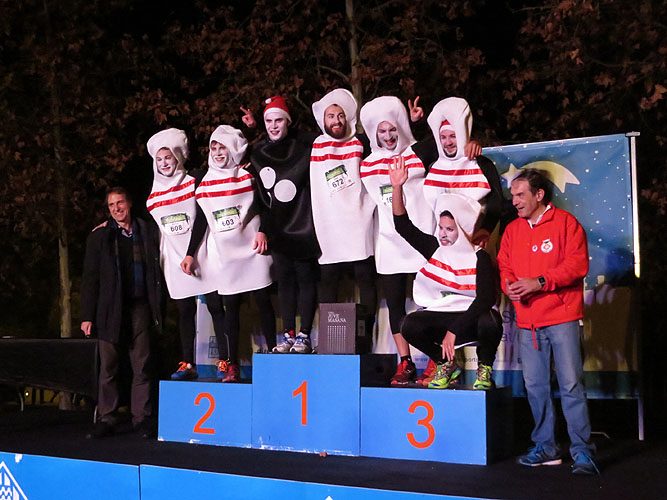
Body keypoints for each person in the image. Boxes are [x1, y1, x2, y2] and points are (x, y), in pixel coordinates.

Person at [497, 168, 598, 475]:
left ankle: (583, 451)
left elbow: (576, 265)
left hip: (562, 317)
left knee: (571, 385)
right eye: (513, 195)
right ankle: (546, 447)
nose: (515, 201)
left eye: (520, 195)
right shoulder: (512, 230)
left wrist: (540, 281)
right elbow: (504, 267)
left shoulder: (566, 223)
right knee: (535, 387)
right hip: (527, 321)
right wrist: (509, 286)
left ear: (539, 195)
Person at [389, 157, 502, 390]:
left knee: (491, 320)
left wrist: (454, 330)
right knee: (409, 324)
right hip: (443, 315)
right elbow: (402, 226)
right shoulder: (434, 249)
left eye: (449, 229)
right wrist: (397, 187)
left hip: (471, 318)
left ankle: (484, 369)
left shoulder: (479, 257)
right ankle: (445, 364)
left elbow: (485, 300)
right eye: (441, 228)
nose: (443, 234)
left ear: (462, 228)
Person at [359, 96, 436, 384]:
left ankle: (437, 360)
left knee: (429, 301)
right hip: (389, 240)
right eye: (382, 131)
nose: (388, 136)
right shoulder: (367, 164)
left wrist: (419, 123)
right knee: (395, 305)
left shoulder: (416, 153)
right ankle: (406, 362)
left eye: (393, 129)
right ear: (374, 133)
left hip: (420, 238)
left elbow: (440, 142)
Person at [145, 129, 228, 382]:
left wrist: (191, 253)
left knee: (215, 306)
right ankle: (187, 362)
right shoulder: (154, 193)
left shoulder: (194, 180)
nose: (164, 163)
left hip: (202, 252)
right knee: (184, 311)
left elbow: (202, 217)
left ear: (178, 157)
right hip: (174, 258)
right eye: (159, 159)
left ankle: (226, 360)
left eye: (168, 157)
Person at [80, 187, 163, 439]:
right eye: (111, 205)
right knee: (109, 367)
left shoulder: (147, 230)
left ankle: (142, 418)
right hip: (109, 310)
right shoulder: (100, 236)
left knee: (142, 365)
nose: (116, 208)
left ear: (130, 203)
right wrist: (87, 315)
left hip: (140, 307)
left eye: (120, 203)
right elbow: (90, 278)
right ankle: (107, 417)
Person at [196, 125, 276, 378]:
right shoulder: (204, 183)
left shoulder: (248, 175)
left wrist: (263, 230)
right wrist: (189, 254)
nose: (218, 152)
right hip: (225, 254)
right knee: (230, 306)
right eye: (214, 148)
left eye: (223, 147)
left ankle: (275, 355)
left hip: (253, 248)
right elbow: (201, 220)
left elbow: (267, 204)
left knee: (263, 300)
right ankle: (231, 364)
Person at [248, 96, 320, 353]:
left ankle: (304, 334)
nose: (274, 125)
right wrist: (263, 228)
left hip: (302, 224)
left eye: (279, 120)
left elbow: (319, 138)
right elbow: (260, 196)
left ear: (289, 122)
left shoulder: (303, 146)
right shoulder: (259, 152)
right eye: (269, 121)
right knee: (285, 282)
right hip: (277, 226)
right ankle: (288, 333)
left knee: (305, 279)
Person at [309, 89, 376, 333]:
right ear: (323, 120)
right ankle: (331, 338)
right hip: (328, 225)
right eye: (330, 116)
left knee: (365, 278)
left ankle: (364, 335)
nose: (336, 121)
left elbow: (391, 141)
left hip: (359, 221)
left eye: (340, 116)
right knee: (328, 280)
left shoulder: (362, 143)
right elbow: (281, 145)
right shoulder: (314, 145)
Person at [422, 97, 503, 249]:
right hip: (444, 243)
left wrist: (486, 229)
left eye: (453, 136)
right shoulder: (434, 166)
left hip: (477, 239)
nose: (448, 142)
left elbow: (496, 202)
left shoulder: (482, 164)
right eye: (443, 137)